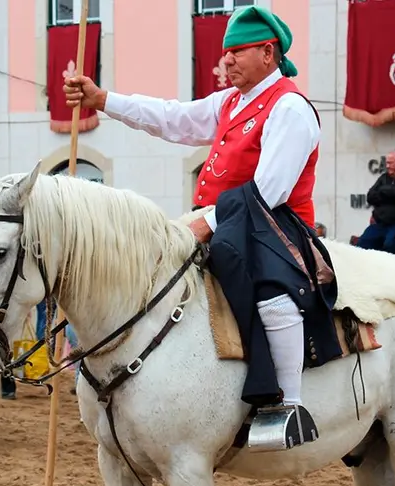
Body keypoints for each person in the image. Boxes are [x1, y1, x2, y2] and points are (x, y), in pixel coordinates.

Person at [63, 4, 337, 449]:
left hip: (277, 227)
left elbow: (269, 191)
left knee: (273, 296)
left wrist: (203, 224)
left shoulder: (290, 106)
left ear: (268, 53)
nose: (226, 60)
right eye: (225, 52)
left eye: (237, 51)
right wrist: (103, 101)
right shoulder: (231, 101)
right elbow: (173, 118)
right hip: (226, 219)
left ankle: (287, 405)